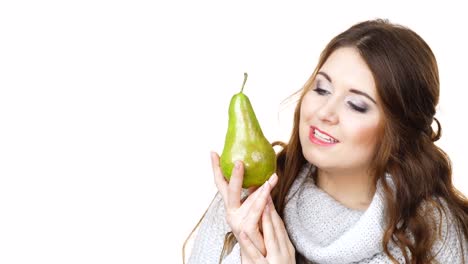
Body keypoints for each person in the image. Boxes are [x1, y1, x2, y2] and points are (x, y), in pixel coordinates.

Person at [183, 19, 468, 264]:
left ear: (400, 132)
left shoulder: (432, 237)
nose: (324, 113)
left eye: (356, 105)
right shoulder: (249, 201)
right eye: (321, 89)